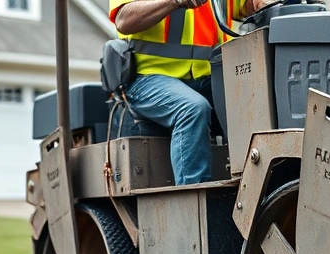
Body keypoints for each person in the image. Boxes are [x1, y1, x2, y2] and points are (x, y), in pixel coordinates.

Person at [110, 0, 268, 184]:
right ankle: (192, 195)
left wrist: (260, 3)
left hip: (208, 74)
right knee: (192, 108)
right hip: (146, 76)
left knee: (255, 98)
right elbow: (124, 19)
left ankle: (258, 186)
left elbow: (246, 5)